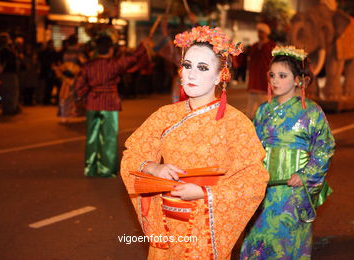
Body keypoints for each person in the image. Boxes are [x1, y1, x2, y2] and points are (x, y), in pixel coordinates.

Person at [120, 26, 269, 259]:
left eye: (202, 68)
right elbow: (133, 153)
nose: (191, 74)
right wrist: (154, 167)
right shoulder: (164, 115)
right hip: (166, 226)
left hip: (206, 223)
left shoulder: (236, 123)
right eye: (187, 66)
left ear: (221, 75)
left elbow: (253, 179)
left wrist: (203, 193)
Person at [240, 46, 335, 259]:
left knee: (286, 240)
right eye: (272, 75)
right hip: (264, 188)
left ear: (298, 80)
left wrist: (305, 175)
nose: (275, 81)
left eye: (282, 76)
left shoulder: (312, 111)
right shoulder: (263, 110)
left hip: (293, 192)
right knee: (257, 238)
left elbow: (324, 147)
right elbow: (253, 148)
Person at [74, 35, 152, 177]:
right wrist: (142, 45)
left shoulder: (88, 65)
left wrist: (83, 96)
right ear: (110, 49)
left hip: (92, 102)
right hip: (109, 103)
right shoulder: (114, 64)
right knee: (109, 138)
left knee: (92, 137)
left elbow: (79, 85)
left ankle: (91, 168)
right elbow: (133, 58)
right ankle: (107, 169)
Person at [246, 23, 276, 119]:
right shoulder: (254, 46)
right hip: (254, 78)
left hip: (265, 78)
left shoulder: (272, 46)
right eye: (259, 32)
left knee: (265, 100)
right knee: (251, 101)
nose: (259, 34)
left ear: (266, 33)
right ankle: (250, 119)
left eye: (261, 32)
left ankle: (265, 119)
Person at [0, 32, 21, 116]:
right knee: (12, 92)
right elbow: (11, 61)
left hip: (3, 74)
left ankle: (5, 108)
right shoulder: (6, 50)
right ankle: (11, 108)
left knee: (4, 92)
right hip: (10, 73)